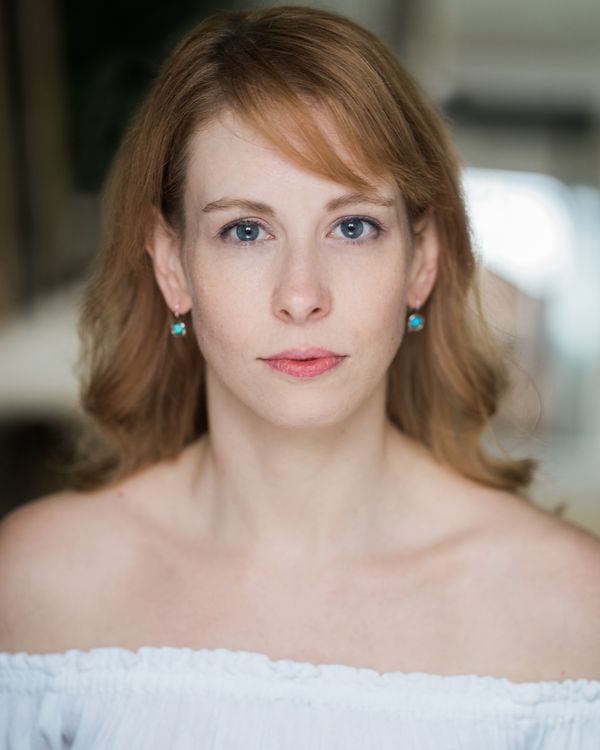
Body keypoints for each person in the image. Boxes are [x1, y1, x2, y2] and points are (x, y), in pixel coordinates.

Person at [1, 5, 599, 748]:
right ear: (172, 267)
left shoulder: (570, 613)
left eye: (353, 227)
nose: (301, 294)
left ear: (421, 263)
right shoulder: (37, 585)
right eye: (245, 230)